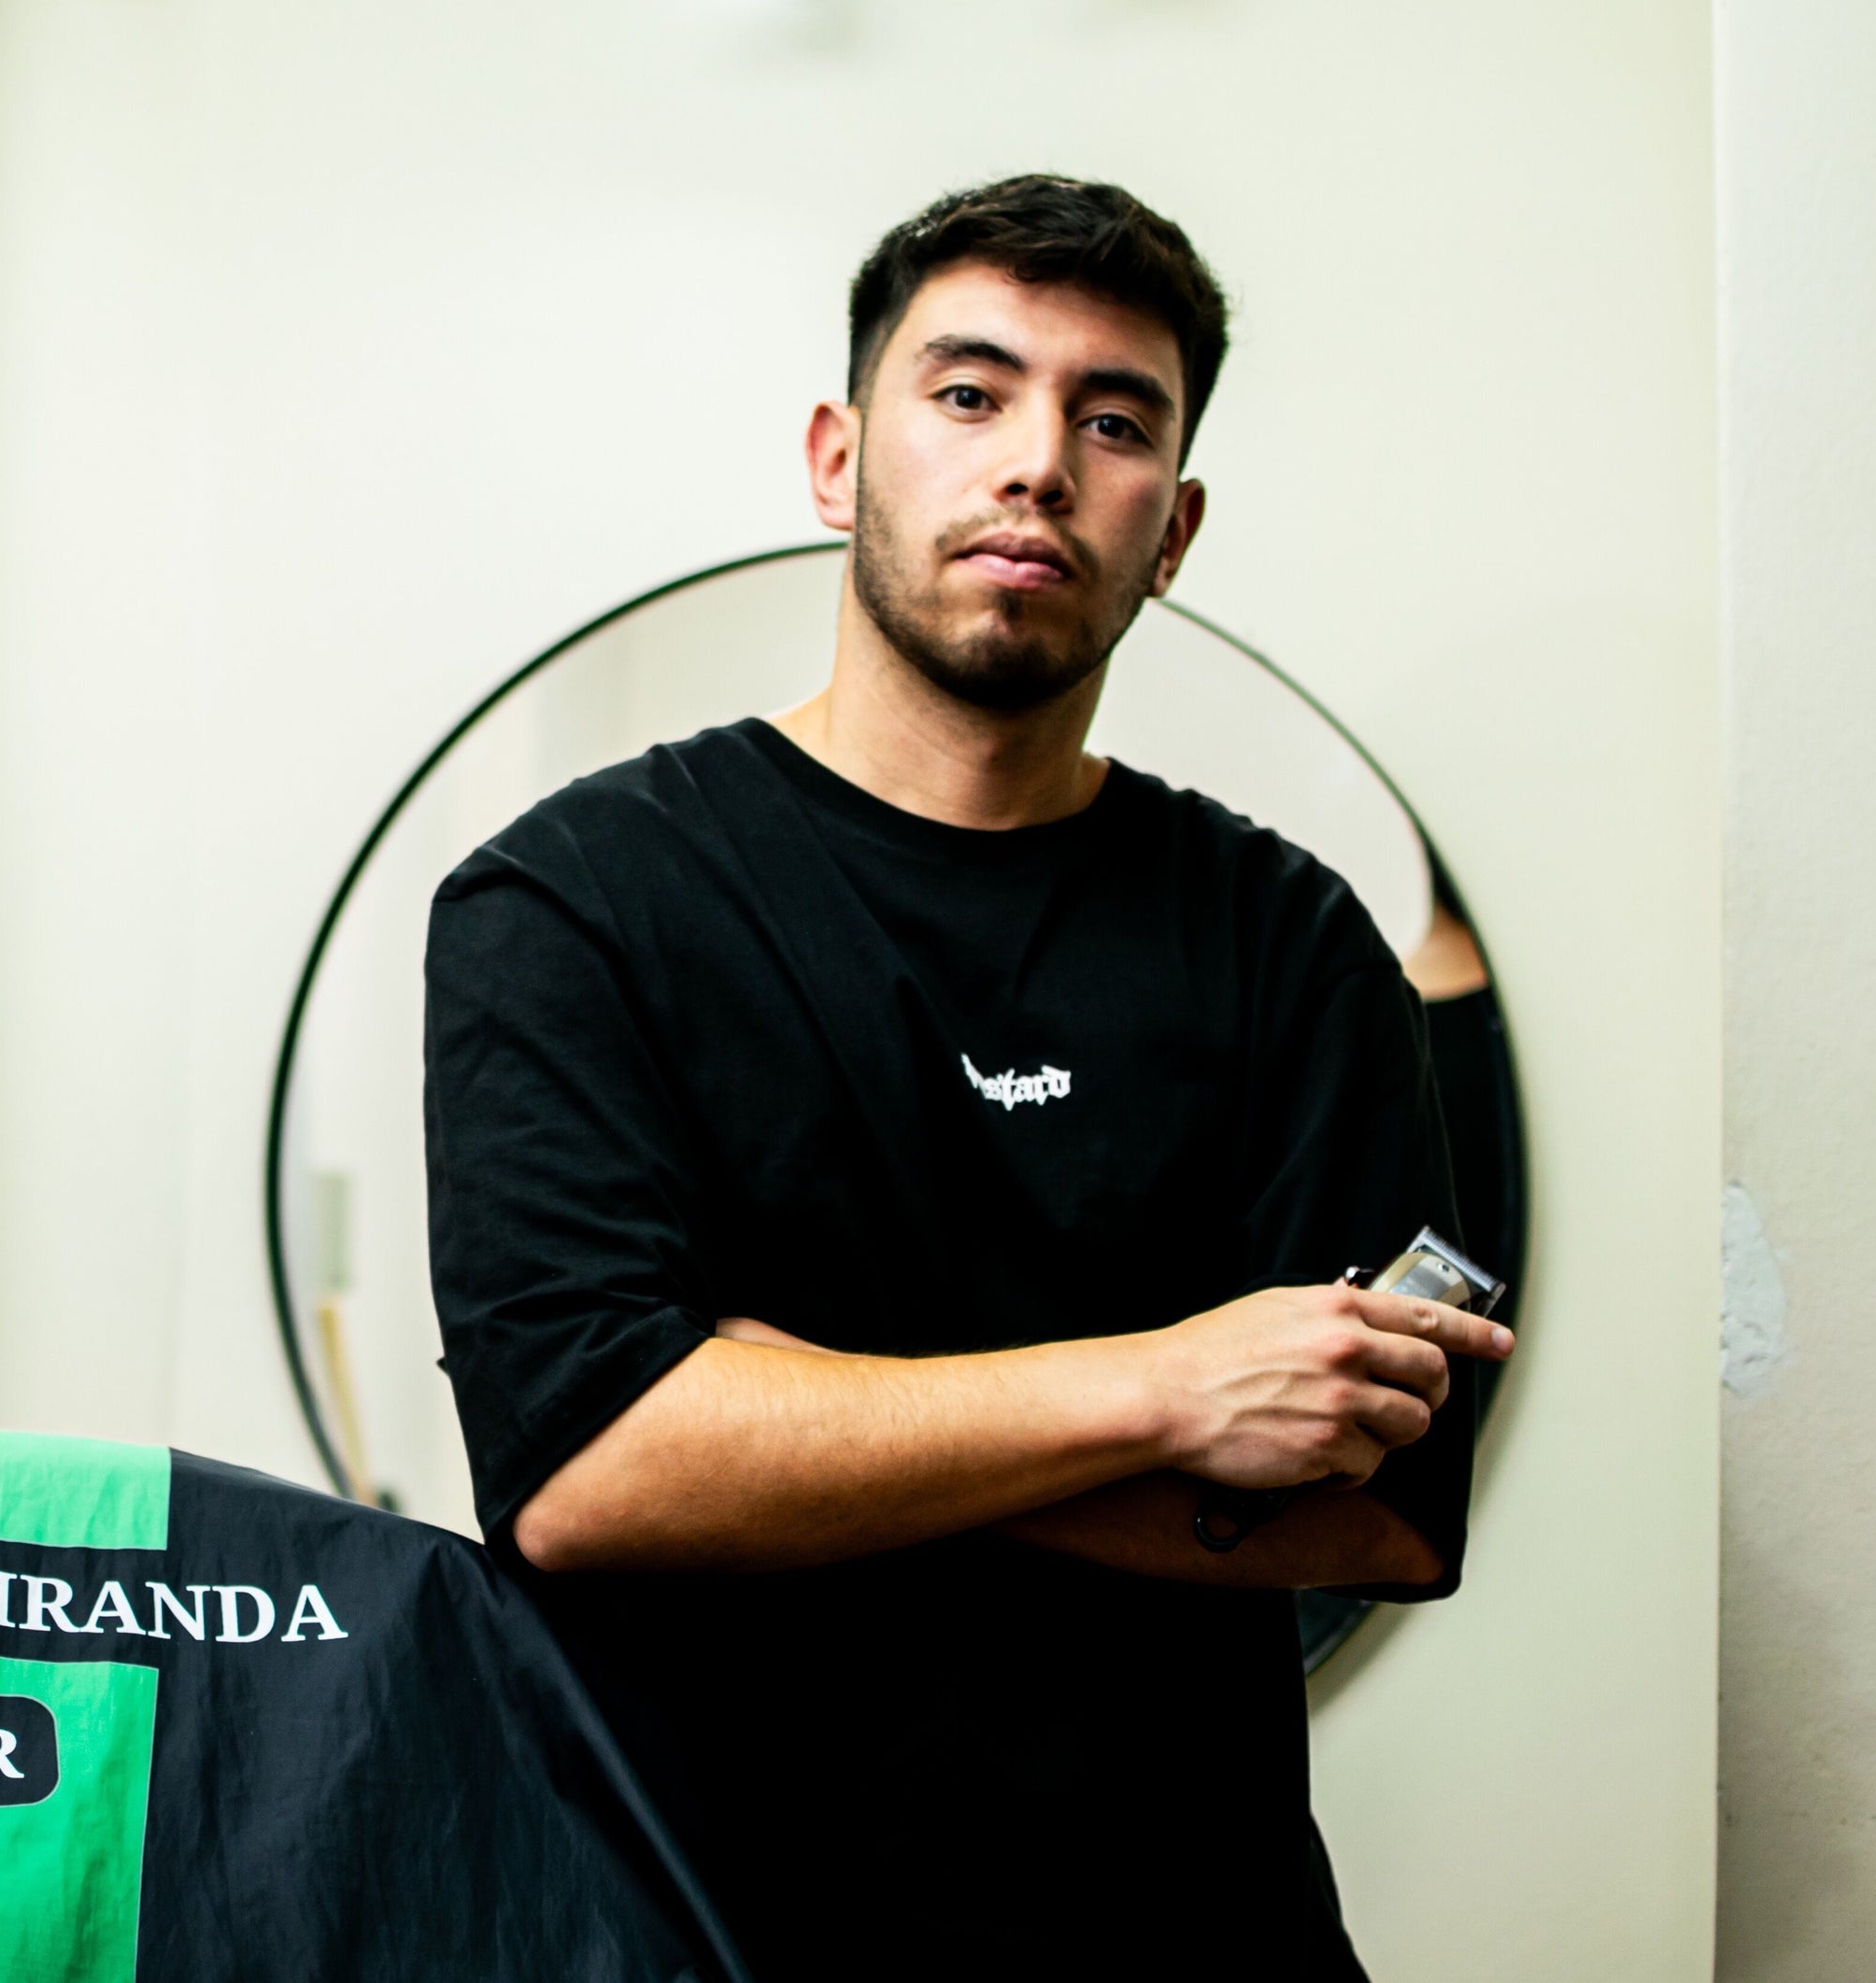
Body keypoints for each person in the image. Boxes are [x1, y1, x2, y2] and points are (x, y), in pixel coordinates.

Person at [422, 175, 1515, 1979]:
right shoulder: (575, 900)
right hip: (696, 1927)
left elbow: (1380, 1508)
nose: (1038, 464)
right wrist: (1169, 1390)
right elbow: (593, 1475)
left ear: (1172, 530)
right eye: (969, 392)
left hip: (1192, 1938)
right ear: (839, 457)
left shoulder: (1290, 942)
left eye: (1113, 420)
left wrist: (767, 1404)